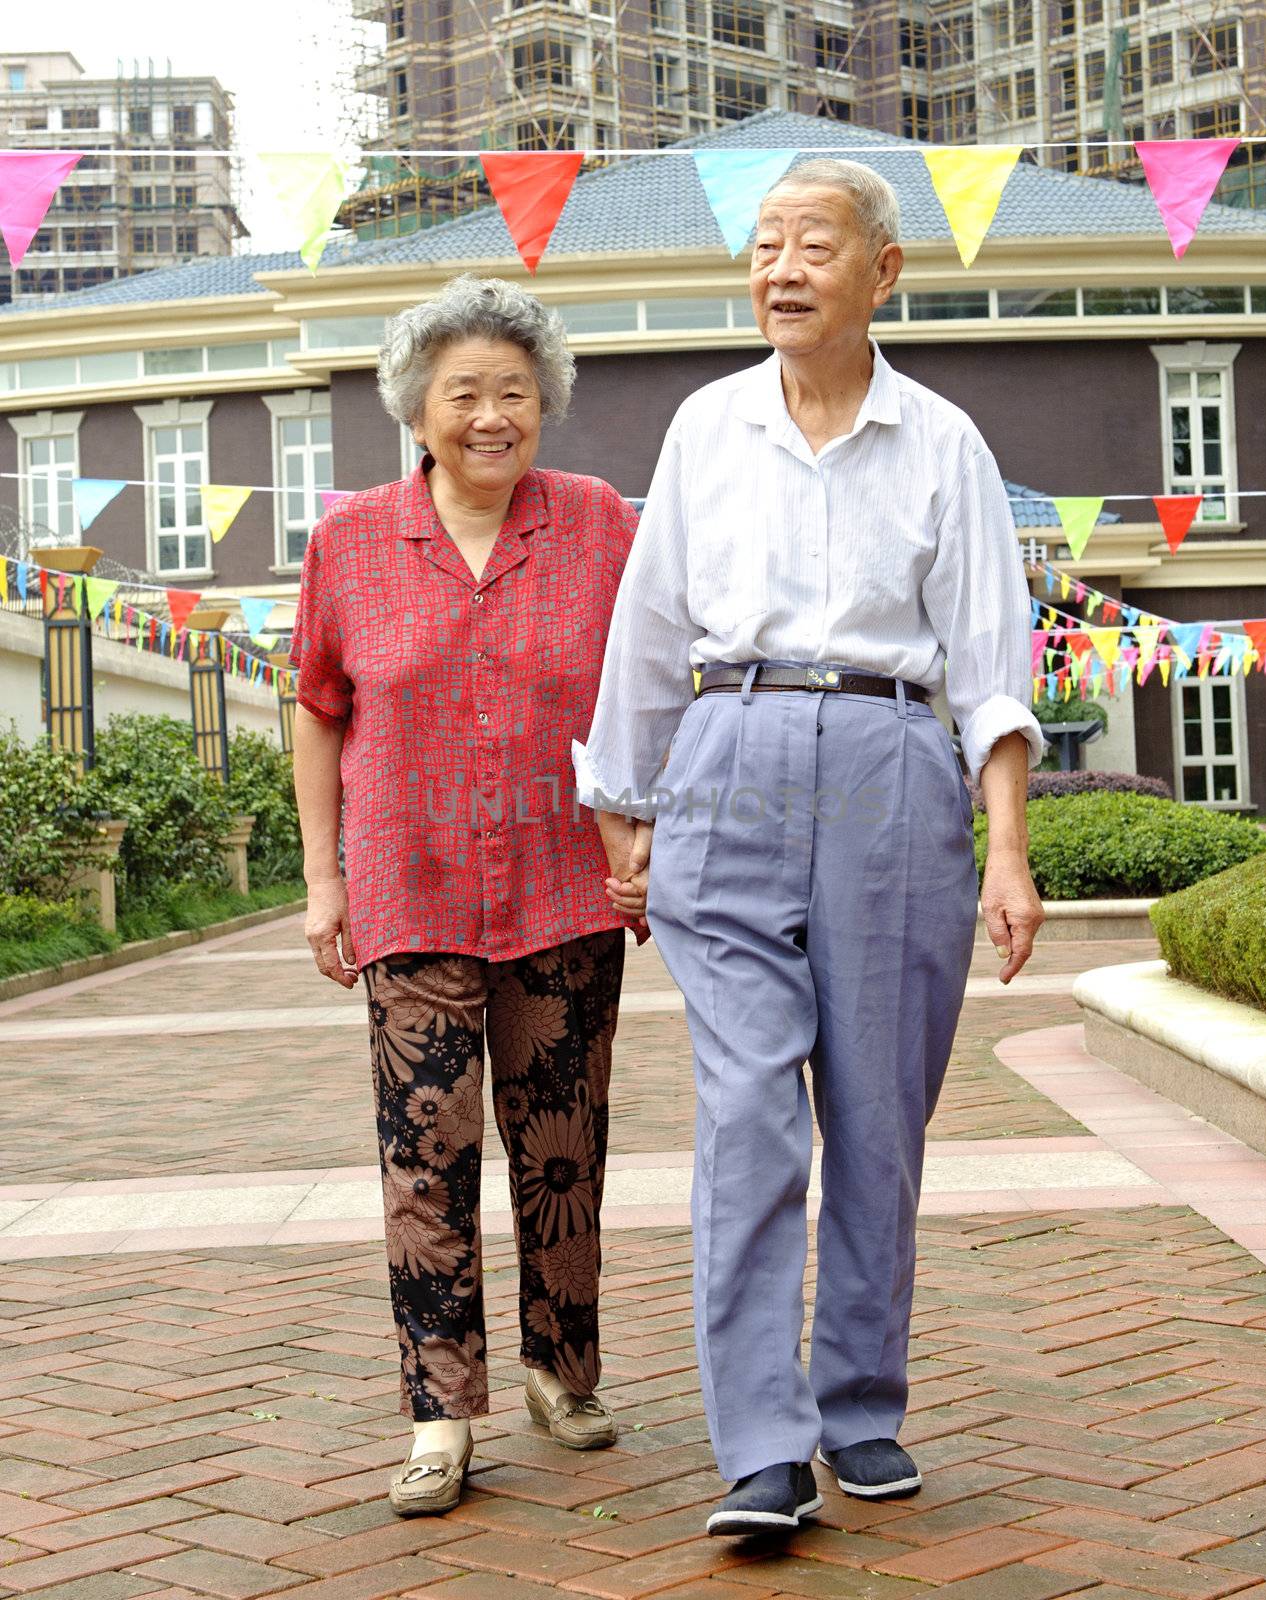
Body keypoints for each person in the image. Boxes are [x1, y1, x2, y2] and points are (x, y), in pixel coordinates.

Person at [573, 160, 1046, 1537]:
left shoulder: (943, 442)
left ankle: (857, 1404)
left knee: (877, 1116)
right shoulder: (703, 428)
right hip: (727, 754)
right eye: (764, 242)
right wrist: (625, 811)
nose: (780, 266)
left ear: (881, 274)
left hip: (894, 763)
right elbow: (650, 630)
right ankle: (761, 1445)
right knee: (747, 1114)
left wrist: (1004, 850)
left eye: (813, 244)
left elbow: (988, 665)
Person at [291, 274, 642, 1519]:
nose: (493, 414)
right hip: (411, 887)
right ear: (417, 410)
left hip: (565, 883)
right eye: (465, 394)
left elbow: (646, 692)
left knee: (561, 1146)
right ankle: (441, 1414)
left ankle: (562, 1368)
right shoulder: (349, 542)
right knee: (422, 1154)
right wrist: (324, 877)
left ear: (543, 400)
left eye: (514, 391)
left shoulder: (600, 522)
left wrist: (641, 832)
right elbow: (321, 711)